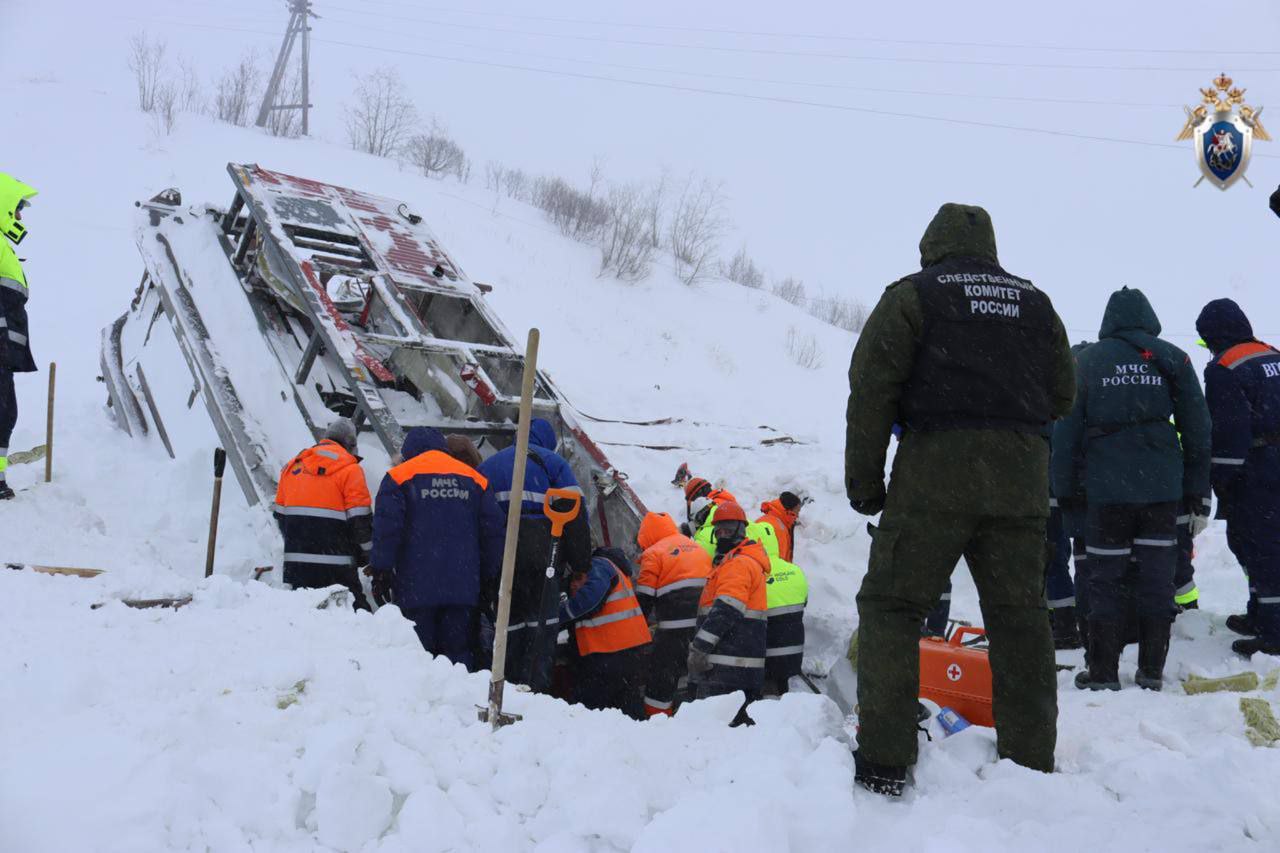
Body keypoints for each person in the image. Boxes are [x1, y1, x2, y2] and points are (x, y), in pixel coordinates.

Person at [846, 203, 1075, 796]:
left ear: (931, 246)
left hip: (936, 472)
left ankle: (885, 761)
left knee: (893, 607)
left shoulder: (914, 297)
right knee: (1021, 618)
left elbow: (871, 390)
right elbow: (1063, 394)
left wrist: (866, 486)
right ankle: (1030, 766)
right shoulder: (1035, 303)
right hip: (1021, 475)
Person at [1053, 287, 1211, 691]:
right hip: (1161, 491)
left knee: (1104, 578)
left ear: (1109, 320)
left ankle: (1104, 672)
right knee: (1158, 578)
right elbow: (1198, 428)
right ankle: (1151, 671)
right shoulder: (1173, 358)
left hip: (1106, 493)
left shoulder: (1086, 361)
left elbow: (1066, 433)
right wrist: (1197, 492)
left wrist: (1065, 493)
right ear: (1148, 317)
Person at [371, 427, 504, 670]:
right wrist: (487, 576)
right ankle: (458, 702)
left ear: (408, 451)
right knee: (458, 656)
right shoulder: (475, 479)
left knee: (417, 656)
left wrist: (381, 570)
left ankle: (420, 703)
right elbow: (493, 533)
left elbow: (387, 528)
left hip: (415, 587)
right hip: (463, 586)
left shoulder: (399, 477)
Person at [478, 417, 590, 690]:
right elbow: (575, 517)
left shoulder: (488, 466)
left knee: (508, 624)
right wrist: (580, 566)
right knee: (543, 625)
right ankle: (536, 687)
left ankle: (508, 681)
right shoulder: (553, 464)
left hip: (504, 560)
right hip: (545, 559)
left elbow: (477, 517)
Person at [1195, 299, 1280, 656]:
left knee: (1258, 545)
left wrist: (1221, 477)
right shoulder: (1272, 354)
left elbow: (1230, 430)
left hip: (1257, 467)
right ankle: (1260, 614)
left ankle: (1272, 631)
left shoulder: (1224, 367)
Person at [273, 419, 374, 610]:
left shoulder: (292, 467)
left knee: (308, 622)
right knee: (358, 619)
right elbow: (361, 525)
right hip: (337, 568)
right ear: (350, 444)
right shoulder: (350, 470)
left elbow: (281, 518)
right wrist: (371, 557)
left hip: (298, 567)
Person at [686, 501, 771, 725]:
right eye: (719, 530)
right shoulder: (734, 562)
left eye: (728, 528)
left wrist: (699, 648)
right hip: (735, 668)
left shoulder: (738, 563)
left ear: (740, 530)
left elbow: (727, 609)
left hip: (727, 671)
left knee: (717, 735)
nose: (722, 534)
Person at [634, 511, 711, 716]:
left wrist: (636, 632)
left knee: (662, 674)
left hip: (673, 628)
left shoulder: (654, 553)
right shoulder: (697, 547)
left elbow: (644, 598)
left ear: (647, 537)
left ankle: (656, 719)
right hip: (703, 625)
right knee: (696, 673)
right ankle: (696, 714)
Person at [559, 548, 652, 718]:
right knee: (627, 707)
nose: (573, 584)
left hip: (609, 651)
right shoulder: (613, 567)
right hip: (626, 648)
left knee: (587, 710)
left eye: (578, 578)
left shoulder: (599, 565)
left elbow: (590, 600)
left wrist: (558, 617)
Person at [0, 174, 38, 501]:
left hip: (5, 348)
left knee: (6, 413)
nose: (20, 217)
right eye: (17, 209)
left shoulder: (4, 246)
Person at [763, 546, 808, 695]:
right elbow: (804, 602)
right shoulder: (795, 570)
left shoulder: (755, 571)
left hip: (766, 654)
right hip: (794, 650)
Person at [756, 492, 804, 562]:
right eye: (797, 511)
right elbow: (776, 561)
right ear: (789, 510)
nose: (797, 515)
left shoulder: (775, 521)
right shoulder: (777, 527)